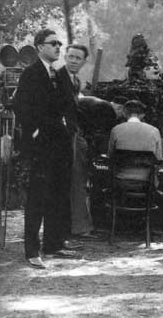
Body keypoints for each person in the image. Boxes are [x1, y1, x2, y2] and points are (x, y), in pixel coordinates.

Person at [14, 29, 78, 269]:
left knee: (58, 194)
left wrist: (69, 128)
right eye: (53, 44)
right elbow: (21, 106)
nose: (58, 47)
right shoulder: (31, 74)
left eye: (60, 44)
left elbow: (69, 105)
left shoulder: (59, 75)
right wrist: (35, 131)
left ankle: (53, 244)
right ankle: (32, 250)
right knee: (37, 197)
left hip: (60, 144)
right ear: (40, 46)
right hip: (41, 145)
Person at [58, 44, 94, 238]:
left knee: (77, 180)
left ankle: (76, 227)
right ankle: (68, 229)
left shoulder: (76, 81)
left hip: (73, 135)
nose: (73, 60)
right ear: (65, 56)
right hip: (62, 137)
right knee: (68, 180)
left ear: (83, 61)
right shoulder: (57, 78)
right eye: (70, 56)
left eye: (77, 58)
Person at [108, 99, 162, 184]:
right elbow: (158, 158)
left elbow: (110, 155)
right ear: (143, 115)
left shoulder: (116, 130)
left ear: (124, 113)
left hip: (120, 177)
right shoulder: (154, 131)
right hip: (147, 179)